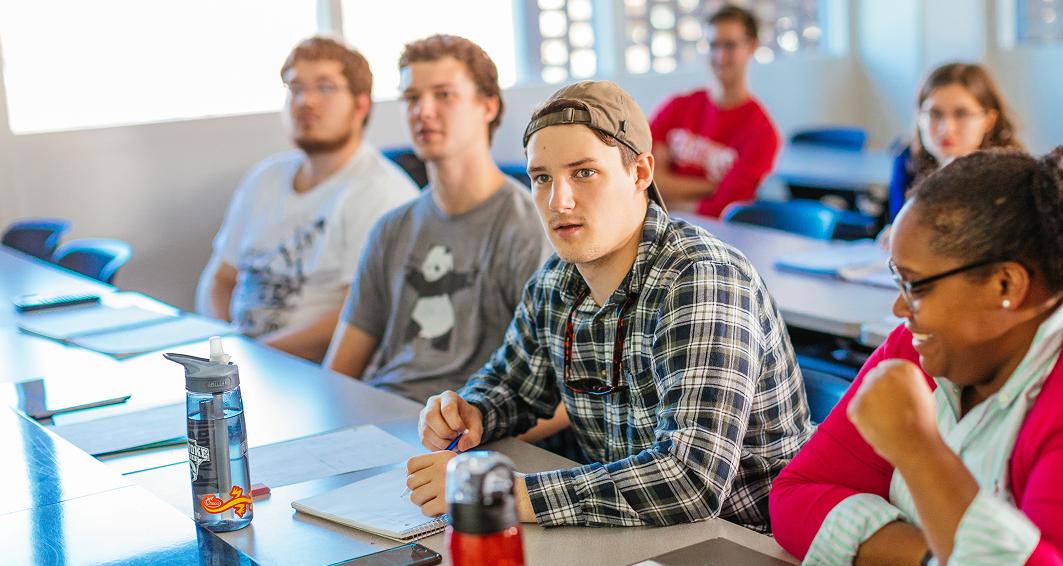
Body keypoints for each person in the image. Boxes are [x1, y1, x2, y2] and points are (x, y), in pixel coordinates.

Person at [406, 80, 812, 532]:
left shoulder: (701, 279)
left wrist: (502, 491)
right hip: (632, 535)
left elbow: (690, 480)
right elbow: (514, 386)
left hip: (741, 541)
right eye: (542, 178)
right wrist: (472, 411)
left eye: (584, 173)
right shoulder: (557, 280)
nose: (558, 201)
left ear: (640, 173)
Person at [771, 146, 1063, 564]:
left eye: (915, 285)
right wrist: (935, 553)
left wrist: (919, 452)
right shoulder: (930, 344)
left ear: (1005, 285)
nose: (900, 308)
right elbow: (796, 497)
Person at [324, 35, 551, 403]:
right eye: (412, 97)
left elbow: (555, 393)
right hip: (384, 410)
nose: (423, 111)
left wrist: (470, 429)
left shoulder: (527, 227)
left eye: (444, 95)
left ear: (488, 106)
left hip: (469, 421)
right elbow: (337, 375)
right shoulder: (390, 229)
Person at [197, 37, 418, 362]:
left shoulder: (382, 193)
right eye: (295, 88)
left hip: (303, 369)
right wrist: (225, 348)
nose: (306, 101)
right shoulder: (265, 178)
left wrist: (252, 355)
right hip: (238, 361)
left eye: (325, 88)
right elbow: (219, 280)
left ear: (361, 105)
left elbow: (359, 318)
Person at [649, 4, 781, 217]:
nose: (720, 56)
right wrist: (712, 186)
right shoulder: (676, 107)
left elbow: (721, 210)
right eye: (713, 45)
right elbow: (646, 180)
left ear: (752, 47)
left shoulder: (763, 134)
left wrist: (664, 199)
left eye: (730, 46)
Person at [887, 62, 1022, 221]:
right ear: (920, 117)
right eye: (935, 113)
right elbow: (897, 222)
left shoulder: (1011, 177)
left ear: (989, 121)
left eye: (961, 114)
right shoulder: (906, 160)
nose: (946, 129)